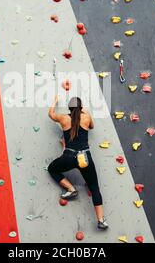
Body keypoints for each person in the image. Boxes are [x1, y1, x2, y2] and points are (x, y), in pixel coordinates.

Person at [47, 96, 108, 230]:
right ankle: (101, 220)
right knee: (94, 188)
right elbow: (92, 126)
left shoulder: (63, 118)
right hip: (84, 157)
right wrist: (85, 111)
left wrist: (55, 101)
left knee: (52, 168)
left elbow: (50, 114)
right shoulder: (86, 117)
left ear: (69, 108)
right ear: (81, 108)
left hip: (69, 156)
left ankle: (71, 189)